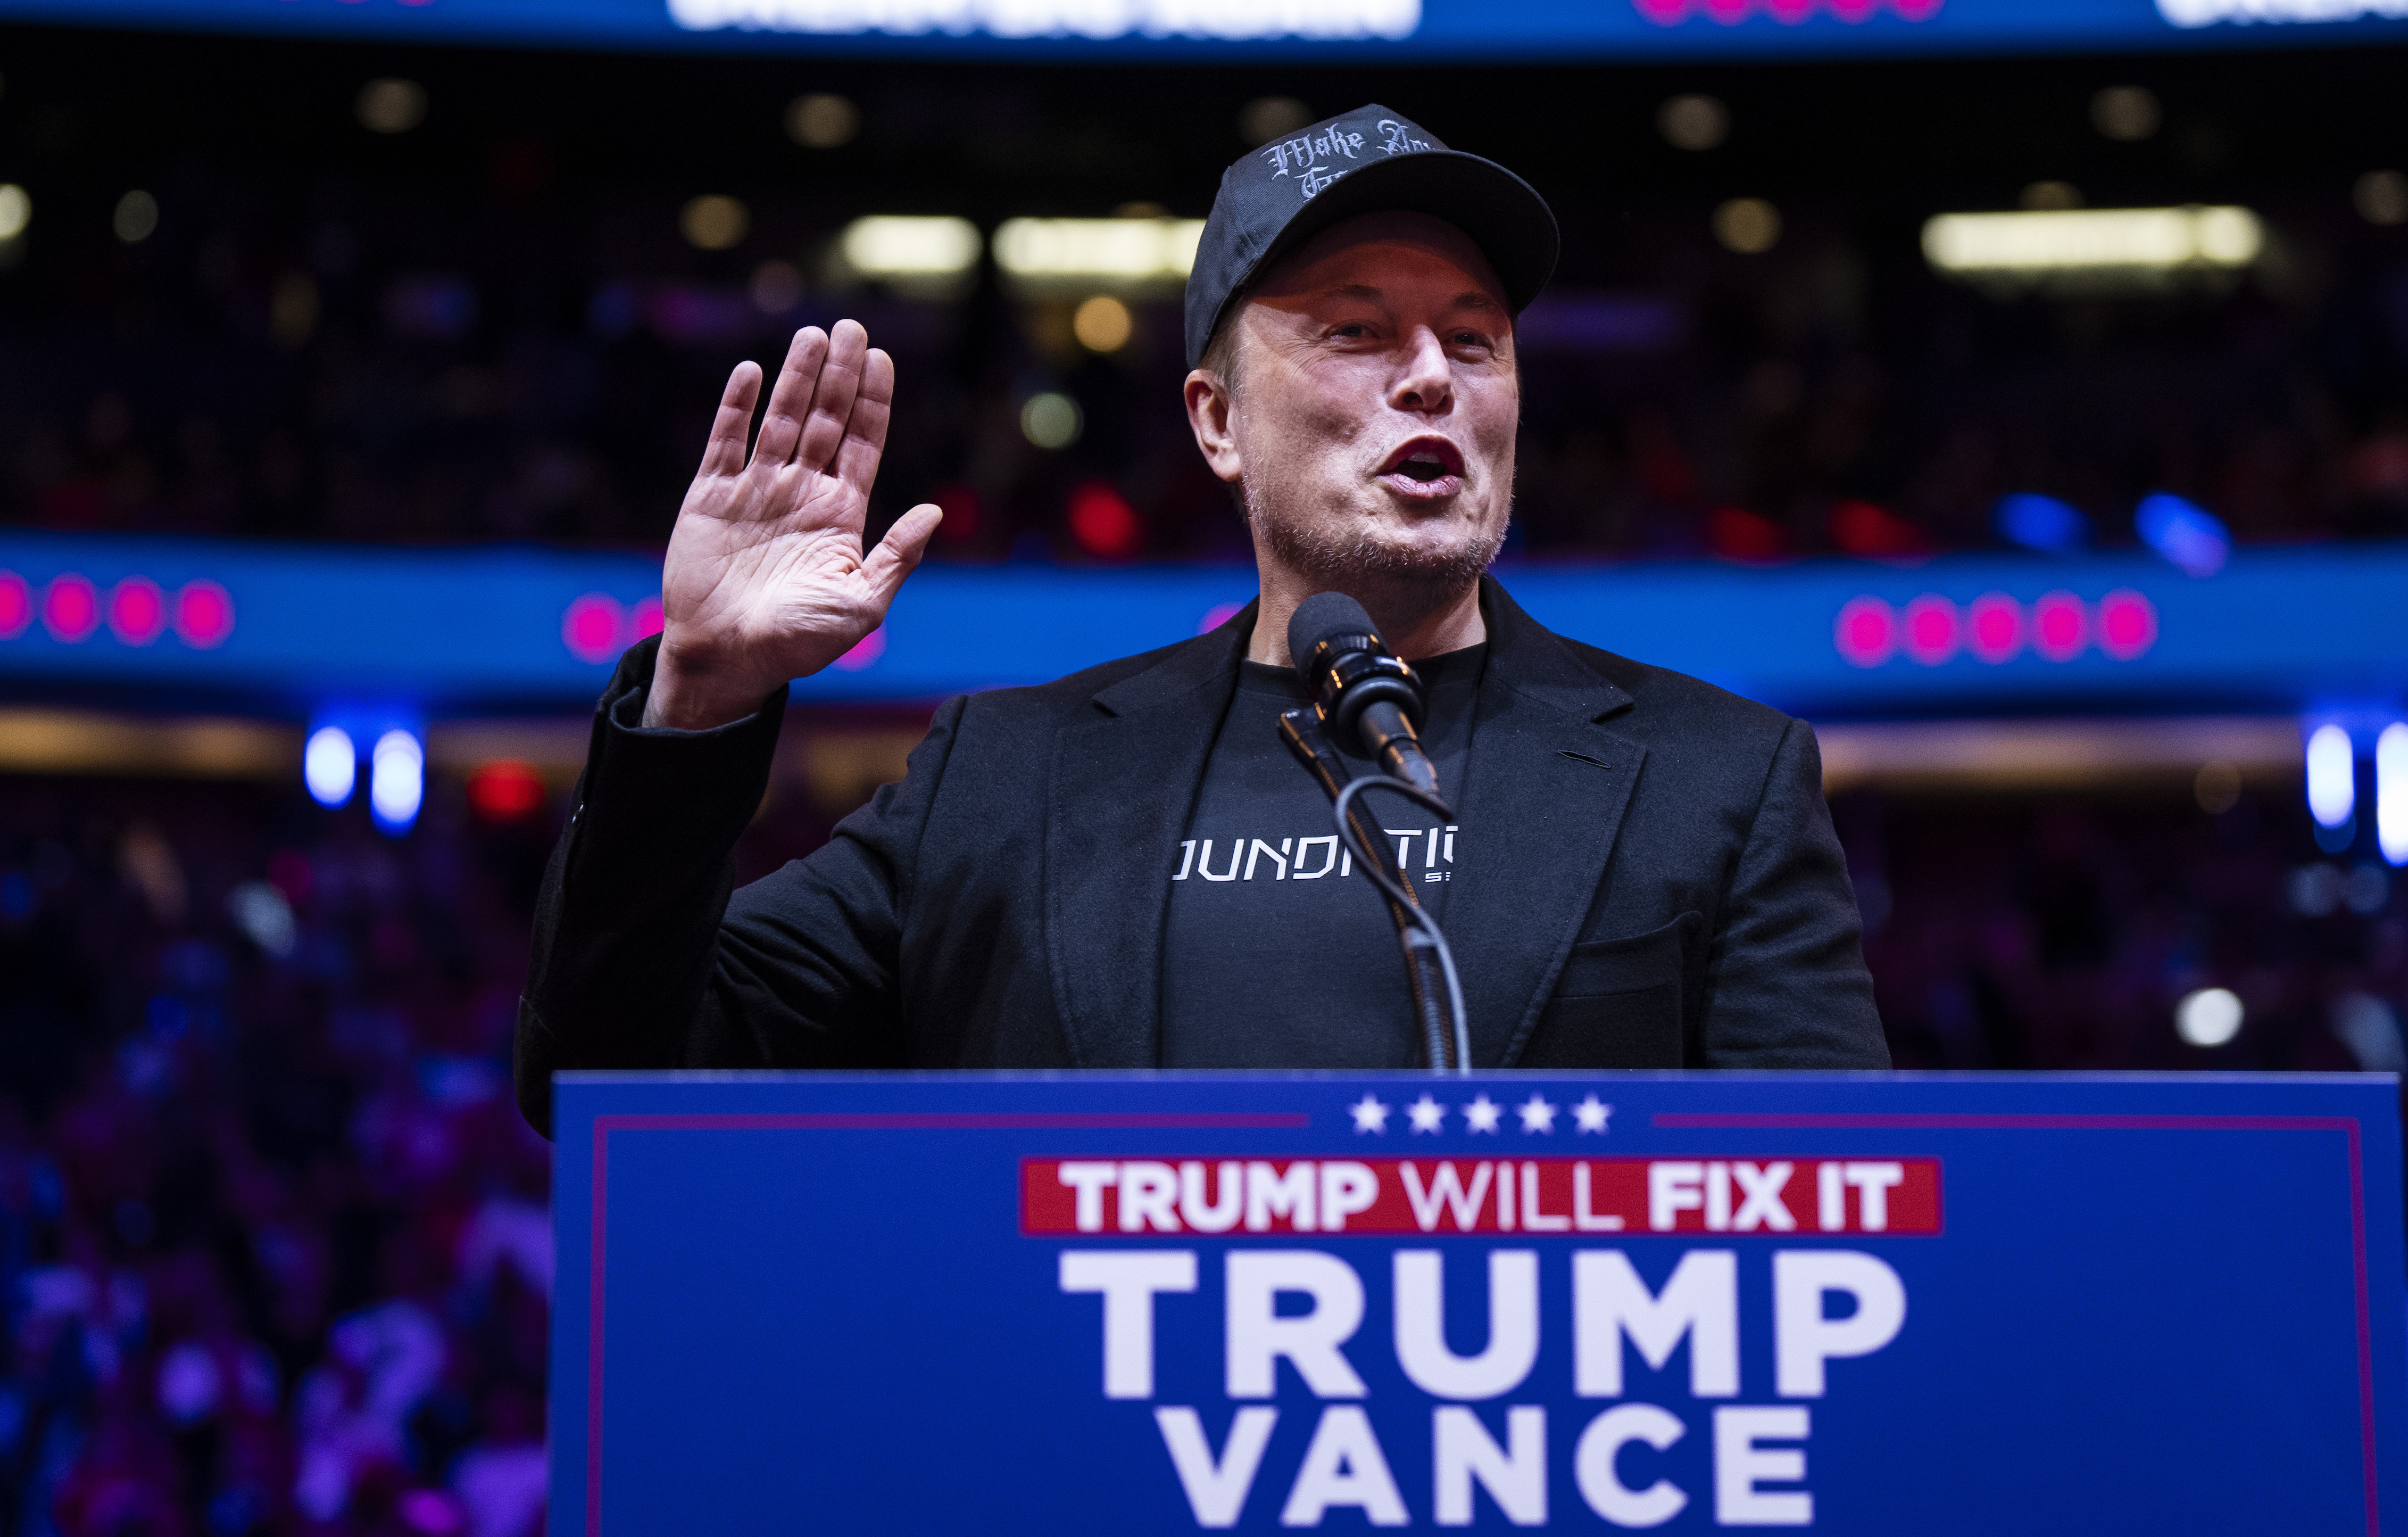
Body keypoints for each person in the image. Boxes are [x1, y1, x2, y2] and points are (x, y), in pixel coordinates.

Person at [512, 104, 1885, 1134]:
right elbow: (603, 1081)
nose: (1431, 380)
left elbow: (1836, 1220)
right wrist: (701, 696)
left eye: (1473, 340)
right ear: (1217, 421)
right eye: (1356, 332)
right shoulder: (1003, 780)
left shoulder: (1720, 781)